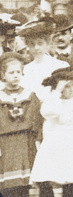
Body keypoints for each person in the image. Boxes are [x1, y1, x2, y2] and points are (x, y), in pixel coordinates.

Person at [30, 68, 73, 197]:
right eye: (66, 86)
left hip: (72, 146)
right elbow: (48, 112)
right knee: (46, 179)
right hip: (53, 146)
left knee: (68, 183)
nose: (71, 90)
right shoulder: (52, 102)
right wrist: (57, 92)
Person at [0, 53, 43, 197]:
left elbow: (37, 120)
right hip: (6, 143)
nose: (15, 75)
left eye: (18, 72)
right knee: (8, 184)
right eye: (11, 72)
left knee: (25, 184)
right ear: (3, 75)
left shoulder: (30, 96)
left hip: (25, 141)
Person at [17, 18, 69, 101]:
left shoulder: (60, 66)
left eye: (40, 43)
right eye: (32, 44)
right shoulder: (26, 69)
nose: (36, 48)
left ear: (47, 44)